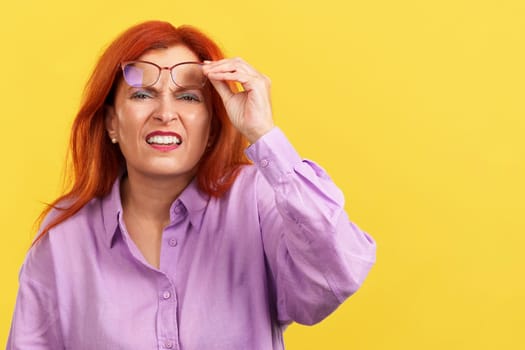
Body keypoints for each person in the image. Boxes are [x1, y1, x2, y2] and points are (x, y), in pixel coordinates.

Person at [7, 20, 376, 349]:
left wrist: (264, 134)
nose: (165, 113)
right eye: (141, 94)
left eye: (187, 97)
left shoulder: (256, 200)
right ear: (111, 124)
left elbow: (337, 273)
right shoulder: (64, 236)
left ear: (212, 125)